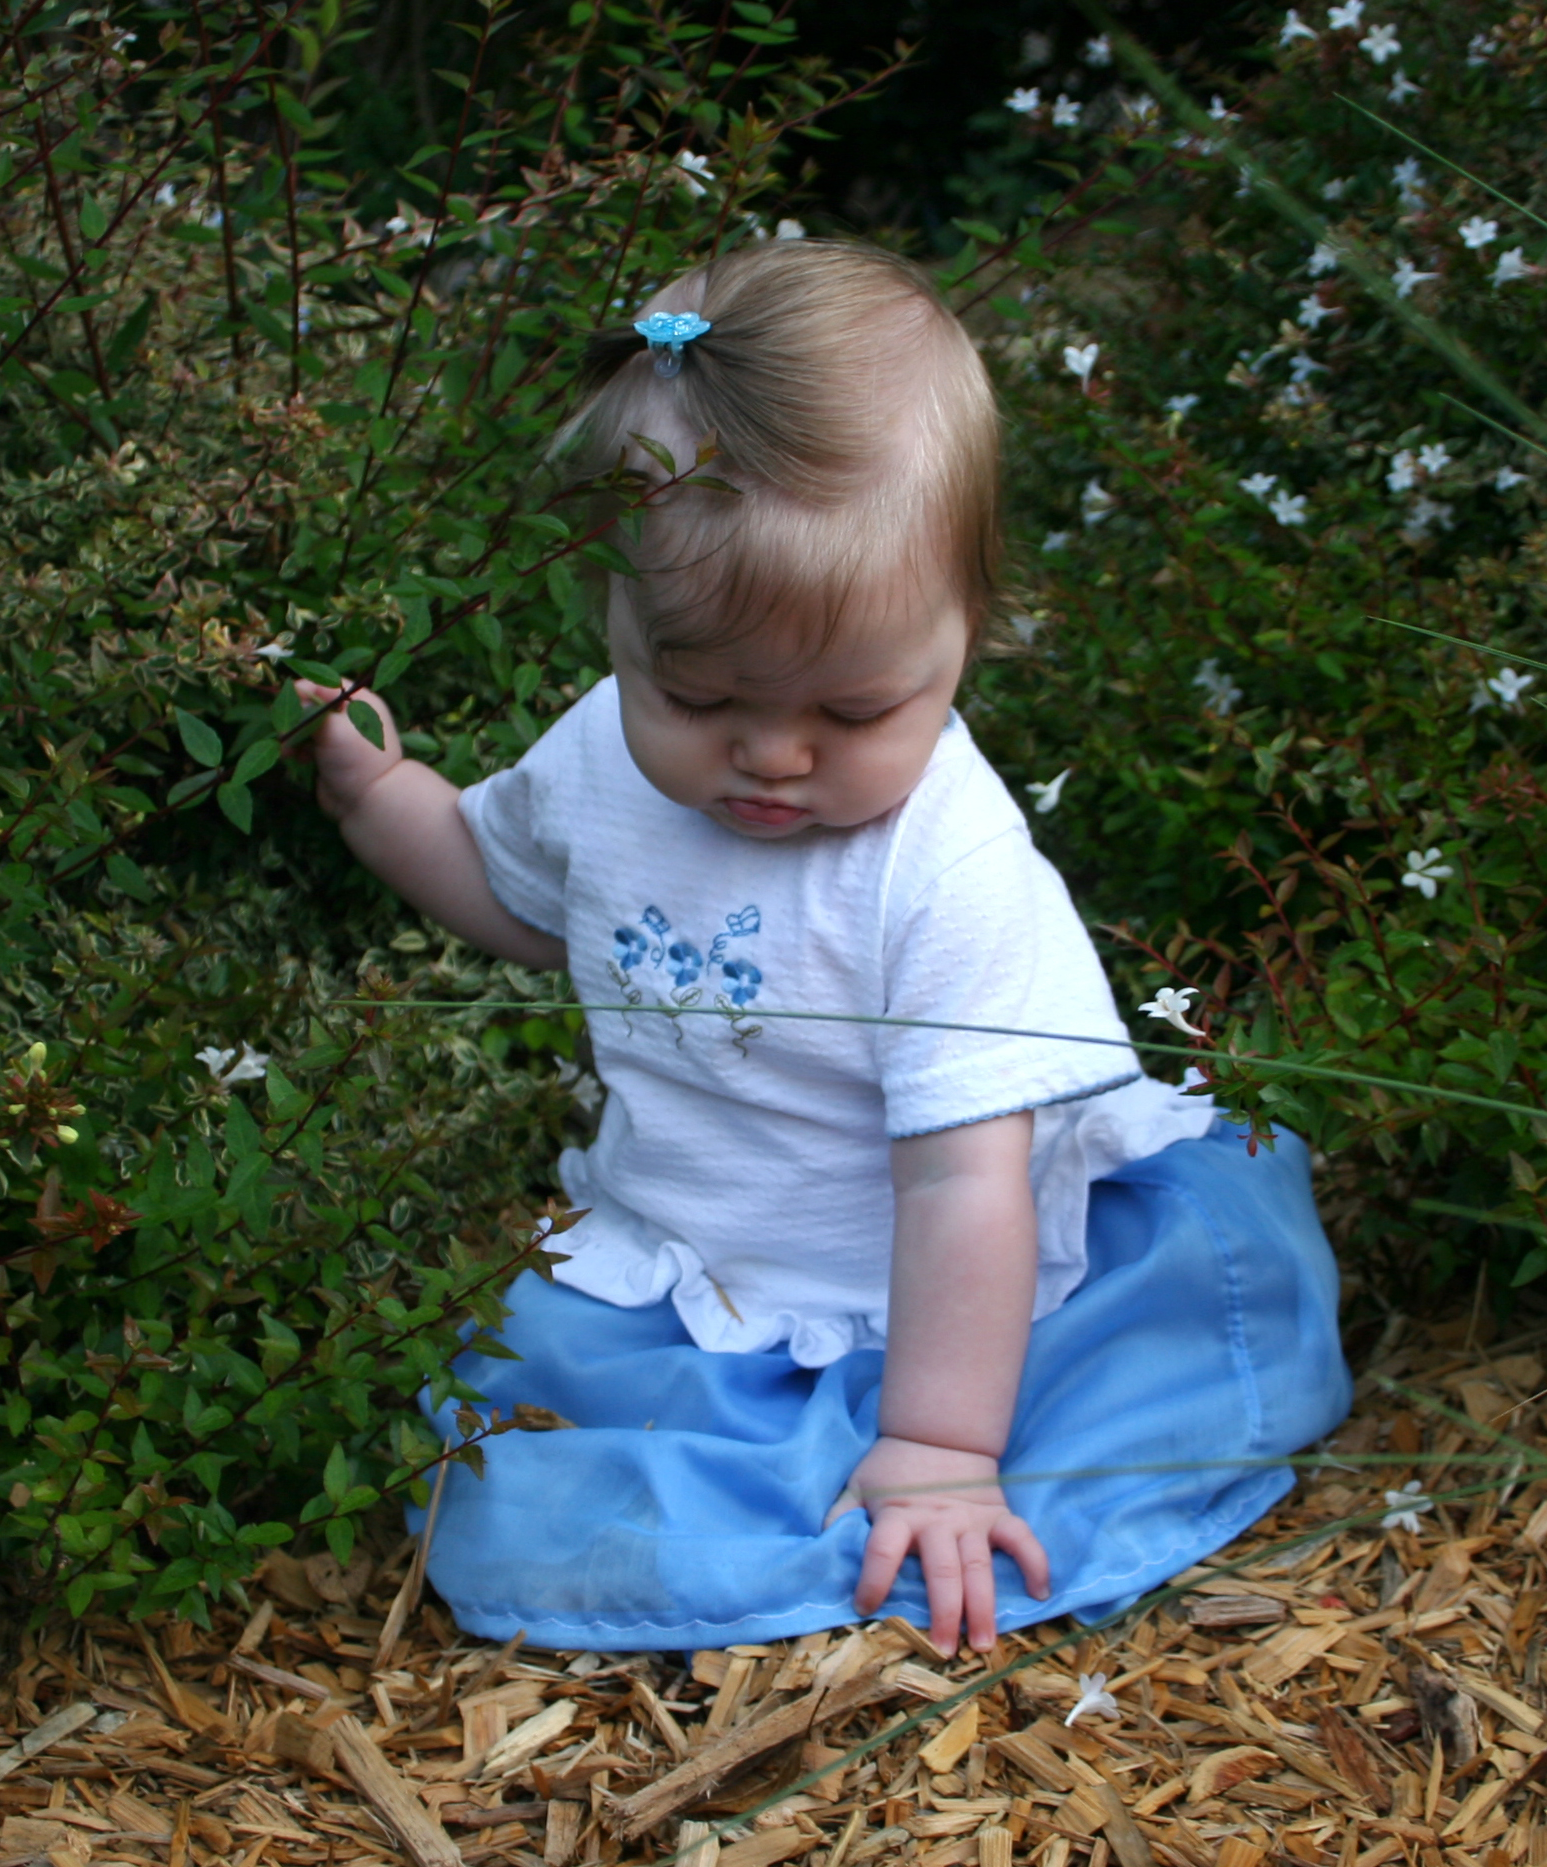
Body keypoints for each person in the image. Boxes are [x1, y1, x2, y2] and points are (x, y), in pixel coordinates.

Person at [298, 239, 1349, 1657]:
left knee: (1072, 1412)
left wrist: (939, 1442)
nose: (774, 756)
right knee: (544, 1429)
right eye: (699, 698)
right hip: (702, 1265)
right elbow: (524, 905)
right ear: (615, 618)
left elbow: (963, 1182)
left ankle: (929, 1450)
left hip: (960, 1289)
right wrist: (386, 802)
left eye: (853, 714)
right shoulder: (603, 756)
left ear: (966, 635)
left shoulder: (947, 871)